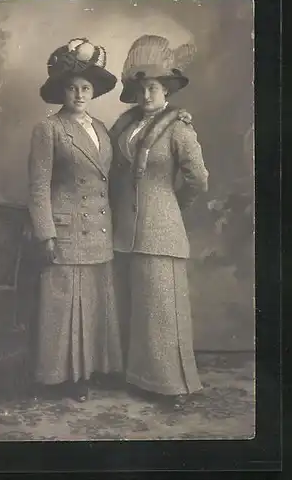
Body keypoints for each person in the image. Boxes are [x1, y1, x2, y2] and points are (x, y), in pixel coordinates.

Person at [109, 35, 209, 410]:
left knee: (163, 310)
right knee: (140, 308)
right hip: (127, 231)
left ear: (166, 89)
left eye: (154, 87)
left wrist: (172, 205)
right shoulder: (127, 127)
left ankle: (172, 387)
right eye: (141, 88)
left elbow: (198, 178)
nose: (147, 94)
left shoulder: (179, 128)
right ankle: (141, 378)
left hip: (161, 229)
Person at [28, 38, 123, 402]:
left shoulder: (101, 128)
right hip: (66, 230)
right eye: (72, 88)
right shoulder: (48, 128)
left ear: (94, 91)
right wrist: (45, 233)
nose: (79, 94)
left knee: (96, 301)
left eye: (86, 88)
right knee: (65, 303)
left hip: (98, 228)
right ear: (61, 91)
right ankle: (62, 377)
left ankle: (93, 369)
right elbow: (38, 186)